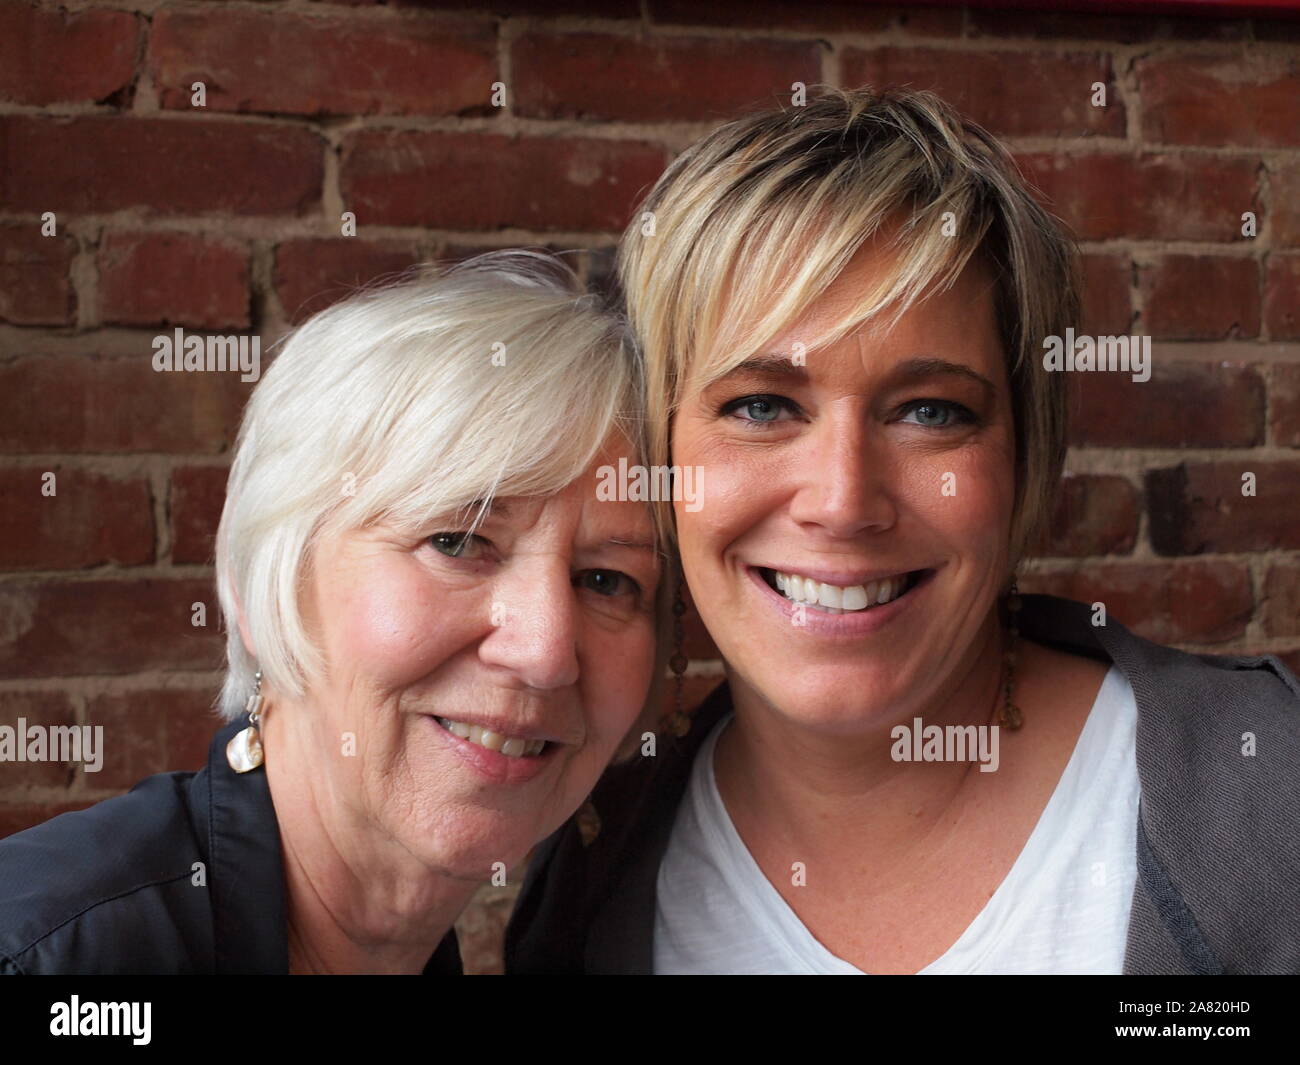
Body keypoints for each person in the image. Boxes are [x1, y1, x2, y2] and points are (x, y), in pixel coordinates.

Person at [505, 89, 1300, 975]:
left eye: (929, 410)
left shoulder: (1268, 795)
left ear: (1025, 455)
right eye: (761, 405)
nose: (843, 502)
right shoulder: (588, 874)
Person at [0, 251, 664, 974]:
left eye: (606, 579)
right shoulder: (56, 959)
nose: (545, 649)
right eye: (458, 540)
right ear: (270, 583)